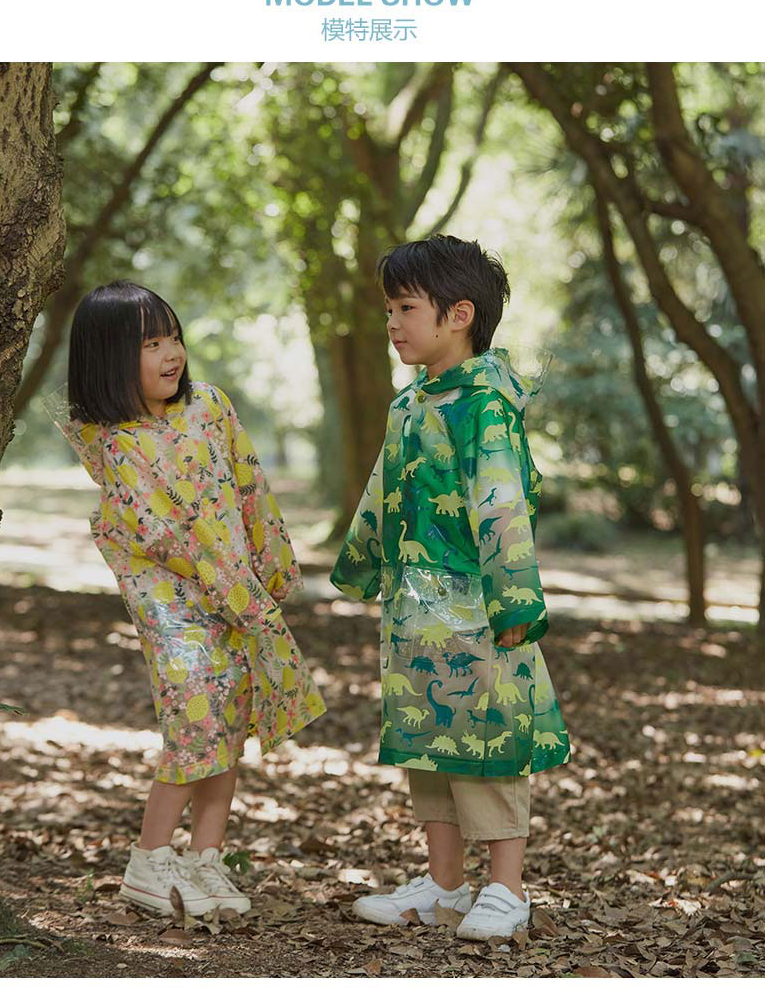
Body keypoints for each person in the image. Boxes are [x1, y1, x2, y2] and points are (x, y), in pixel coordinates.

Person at [54, 280, 326, 917]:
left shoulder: (209, 406)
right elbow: (161, 535)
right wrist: (232, 589)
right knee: (195, 720)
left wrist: (271, 566)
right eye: (151, 344)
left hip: (238, 590)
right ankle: (149, 860)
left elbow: (250, 483)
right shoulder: (117, 443)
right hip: (176, 607)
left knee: (230, 720)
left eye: (172, 337)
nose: (171, 353)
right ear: (109, 358)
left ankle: (206, 859)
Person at [330, 235, 570, 941]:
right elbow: (382, 488)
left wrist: (515, 599)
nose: (392, 323)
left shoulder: (485, 404)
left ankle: (507, 890)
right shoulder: (408, 405)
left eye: (406, 308)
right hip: (414, 608)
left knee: (489, 742)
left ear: (459, 314)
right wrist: (361, 562)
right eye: (389, 310)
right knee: (426, 741)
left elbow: (501, 502)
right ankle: (443, 885)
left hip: (478, 607)